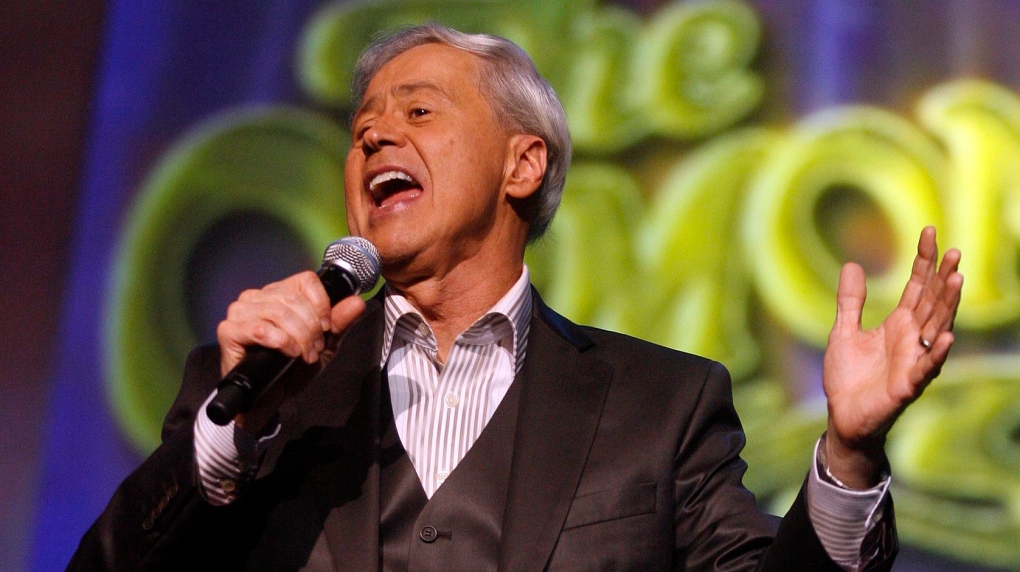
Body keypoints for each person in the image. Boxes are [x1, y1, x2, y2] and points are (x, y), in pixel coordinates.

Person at [70, 24, 963, 571]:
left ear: (522, 164)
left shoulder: (661, 408)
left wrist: (849, 452)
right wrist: (227, 439)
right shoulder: (260, 394)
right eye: (363, 127)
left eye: (419, 112)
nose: (377, 131)